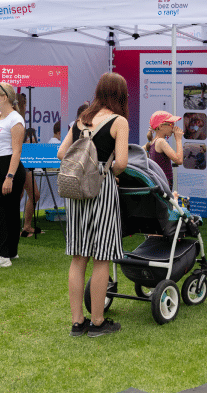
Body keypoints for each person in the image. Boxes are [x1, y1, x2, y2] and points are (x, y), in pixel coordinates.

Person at [58, 72, 129, 337]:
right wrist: (107, 169)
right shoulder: (119, 121)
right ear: (120, 95)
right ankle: (98, 322)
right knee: (102, 256)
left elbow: (61, 153)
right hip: (101, 187)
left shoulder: (81, 120)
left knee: (79, 257)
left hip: (77, 189)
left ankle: (77, 322)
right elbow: (121, 163)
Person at [0, 82, 26, 269]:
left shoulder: (15, 119)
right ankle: (8, 250)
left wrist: (9, 176)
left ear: (5, 98)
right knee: (4, 210)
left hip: (9, 166)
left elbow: (16, 151)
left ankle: (2, 255)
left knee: (1, 210)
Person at [17, 93, 42, 238]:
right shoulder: (17, 120)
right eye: (25, 104)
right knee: (22, 195)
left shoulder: (20, 120)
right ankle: (18, 227)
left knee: (33, 195)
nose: (26, 107)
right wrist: (27, 143)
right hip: (19, 163)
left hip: (24, 163)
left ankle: (26, 226)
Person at [144, 110, 183, 189]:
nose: (173, 127)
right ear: (161, 126)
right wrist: (178, 139)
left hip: (159, 184)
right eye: (171, 124)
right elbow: (179, 160)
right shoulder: (161, 142)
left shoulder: (152, 142)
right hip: (163, 184)